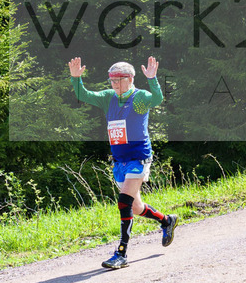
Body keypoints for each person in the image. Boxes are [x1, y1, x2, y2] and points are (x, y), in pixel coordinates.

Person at [68, 57, 177, 270]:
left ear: (129, 79)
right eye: (111, 81)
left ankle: (121, 253)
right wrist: (76, 79)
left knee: (123, 201)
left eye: (117, 81)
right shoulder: (108, 97)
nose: (113, 85)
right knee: (135, 207)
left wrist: (153, 79)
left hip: (139, 156)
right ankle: (166, 220)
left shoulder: (140, 97)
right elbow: (84, 95)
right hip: (119, 160)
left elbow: (157, 99)